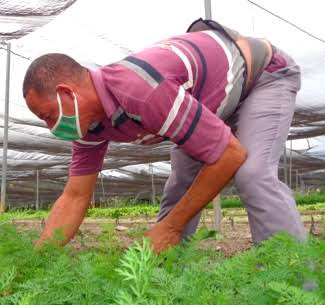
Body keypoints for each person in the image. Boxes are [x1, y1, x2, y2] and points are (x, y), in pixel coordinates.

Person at [23, 19, 306, 253]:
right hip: (210, 103)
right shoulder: (89, 126)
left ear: (66, 93)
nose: (51, 127)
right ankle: (165, 284)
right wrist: (35, 261)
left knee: (252, 174)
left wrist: (170, 227)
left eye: (48, 115)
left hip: (262, 77)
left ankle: (294, 288)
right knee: (181, 185)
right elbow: (75, 196)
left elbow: (230, 155)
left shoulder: (141, 90)